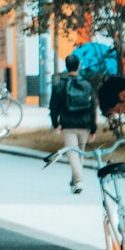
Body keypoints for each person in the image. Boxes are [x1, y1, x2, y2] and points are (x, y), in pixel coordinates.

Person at [48, 53, 96, 194]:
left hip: (68, 124)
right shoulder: (87, 85)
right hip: (84, 124)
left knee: (72, 153)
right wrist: (93, 129)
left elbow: (54, 106)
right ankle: (76, 180)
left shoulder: (59, 85)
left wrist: (55, 124)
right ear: (78, 66)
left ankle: (78, 180)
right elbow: (92, 108)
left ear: (67, 66)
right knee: (79, 154)